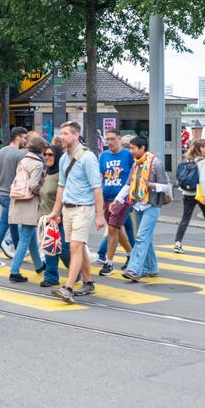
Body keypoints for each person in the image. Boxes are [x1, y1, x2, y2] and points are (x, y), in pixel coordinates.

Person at [45, 121, 104, 304]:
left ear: (75, 135)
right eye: (61, 133)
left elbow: (97, 188)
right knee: (79, 247)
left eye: (65, 134)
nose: (61, 137)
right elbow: (61, 187)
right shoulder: (63, 159)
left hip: (83, 209)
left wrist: (100, 215)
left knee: (75, 248)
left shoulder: (87, 158)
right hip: (68, 209)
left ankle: (68, 288)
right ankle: (88, 282)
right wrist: (56, 211)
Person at [112, 137, 172, 282]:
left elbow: (166, 186)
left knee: (141, 238)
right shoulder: (135, 165)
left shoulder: (155, 164)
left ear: (142, 148)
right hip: (137, 205)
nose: (131, 151)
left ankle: (133, 269)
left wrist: (152, 185)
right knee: (146, 238)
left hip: (151, 205)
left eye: (133, 148)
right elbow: (128, 185)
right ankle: (151, 268)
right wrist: (117, 200)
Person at [0, 126, 28, 265]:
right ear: (18, 138)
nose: (25, 141)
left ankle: (18, 249)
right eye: (24, 138)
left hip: (0, 194)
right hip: (11, 195)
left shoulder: (0, 152)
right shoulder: (20, 155)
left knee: (12, 223)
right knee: (4, 224)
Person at [173, 139, 205, 253]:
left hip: (187, 193)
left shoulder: (188, 159)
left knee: (185, 218)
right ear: (201, 148)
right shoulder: (204, 162)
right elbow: (203, 180)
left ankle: (177, 243)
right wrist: (204, 195)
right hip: (200, 194)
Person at [95, 129, 135, 276]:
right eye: (107, 139)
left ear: (119, 139)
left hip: (122, 198)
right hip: (106, 197)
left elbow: (133, 175)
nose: (109, 142)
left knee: (112, 228)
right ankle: (131, 254)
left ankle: (108, 263)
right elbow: (100, 177)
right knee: (118, 228)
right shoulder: (103, 156)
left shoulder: (128, 155)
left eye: (112, 139)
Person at [7, 133, 47, 282]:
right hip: (30, 202)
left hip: (19, 200)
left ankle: (39, 266)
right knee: (25, 237)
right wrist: (42, 191)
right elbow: (33, 185)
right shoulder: (37, 163)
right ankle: (14, 271)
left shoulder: (23, 160)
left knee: (29, 236)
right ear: (41, 149)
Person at [39, 138, 70, 287]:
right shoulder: (48, 172)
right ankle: (51, 277)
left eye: (51, 155)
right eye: (45, 154)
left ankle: (76, 270)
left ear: (57, 156)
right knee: (50, 248)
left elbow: (65, 197)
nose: (47, 157)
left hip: (59, 218)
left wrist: (60, 215)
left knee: (63, 247)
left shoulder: (61, 175)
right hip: (46, 218)